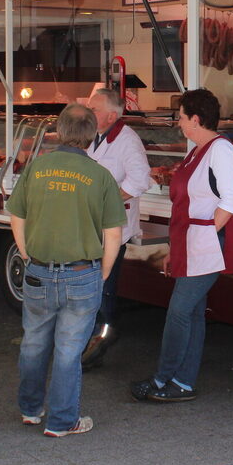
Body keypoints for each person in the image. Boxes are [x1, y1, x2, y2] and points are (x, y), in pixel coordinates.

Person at [9, 104, 126, 437]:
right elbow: (113, 233)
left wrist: (25, 251)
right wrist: (103, 271)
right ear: (93, 134)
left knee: (33, 343)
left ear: (58, 132)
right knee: (69, 350)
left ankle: (30, 410)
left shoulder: (37, 168)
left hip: (38, 271)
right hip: (81, 273)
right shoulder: (101, 176)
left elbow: (17, 215)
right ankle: (62, 421)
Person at [130, 88, 233, 403]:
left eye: (180, 117)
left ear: (196, 118)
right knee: (191, 313)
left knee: (179, 312)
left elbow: (230, 200)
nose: (178, 123)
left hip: (205, 241)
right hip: (191, 240)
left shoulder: (220, 150)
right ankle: (182, 382)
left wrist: (206, 234)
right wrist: (175, 249)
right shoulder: (198, 150)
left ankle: (163, 378)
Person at [81, 88, 153, 368]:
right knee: (91, 285)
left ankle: (102, 338)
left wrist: (109, 200)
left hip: (112, 228)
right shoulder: (94, 136)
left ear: (111, 115)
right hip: (90, 225)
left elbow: (140, 180)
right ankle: (89, 340)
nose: (89, 113)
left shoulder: (128, 141)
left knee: (104, 287)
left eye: (94, 109)